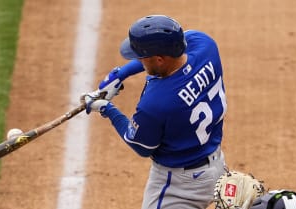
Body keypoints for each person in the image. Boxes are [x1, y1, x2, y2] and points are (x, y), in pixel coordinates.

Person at [82, 14, 227, 209]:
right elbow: (180, 44)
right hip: (217, 170)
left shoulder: (156, 103)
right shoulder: (205, 45)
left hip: (179, 187)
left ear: (159, 59)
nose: (138, 60)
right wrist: (121, 74)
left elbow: (141, 146)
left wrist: (107, 109)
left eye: (141, 57)